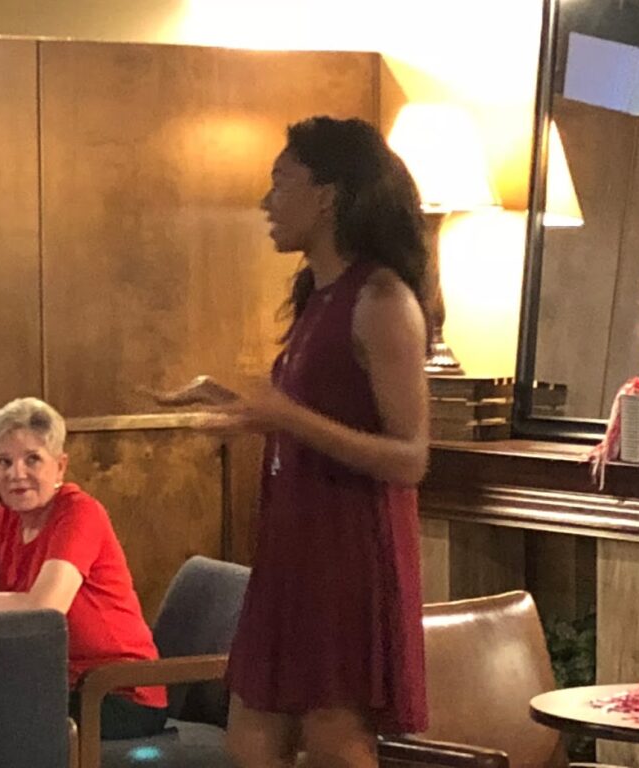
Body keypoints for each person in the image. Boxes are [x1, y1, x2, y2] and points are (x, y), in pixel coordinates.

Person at [153, 117, 430, 768]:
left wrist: (286, 416)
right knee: (250, 734)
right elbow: (309, 411)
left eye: (281, 182)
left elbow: (411, 457)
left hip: (347, 550)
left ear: (327, 195)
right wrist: (230, 399)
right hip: (292, 545)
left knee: (335, 740)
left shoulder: (381, 299)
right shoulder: (317, 297)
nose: (265, 201)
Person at [0, 396, 168, 740]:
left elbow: (44, 610)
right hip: (49, 684)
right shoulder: (5, 517)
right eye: (4, 462)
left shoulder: (79, 513)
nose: (16, 474)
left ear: (60, 466)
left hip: (113, 693)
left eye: (32, 459)